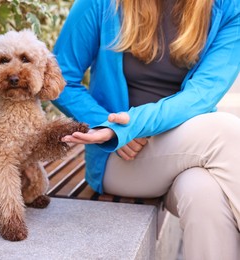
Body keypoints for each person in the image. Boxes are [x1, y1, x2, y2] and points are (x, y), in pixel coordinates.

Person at [52, 0, 240, 259]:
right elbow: (60, 78)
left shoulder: (229, 8)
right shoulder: (101, 4)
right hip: (122, 156)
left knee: (204, 195)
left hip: (189, 149)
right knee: (226, 131)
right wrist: (109, 125)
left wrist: (133, 125)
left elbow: (202, 95)